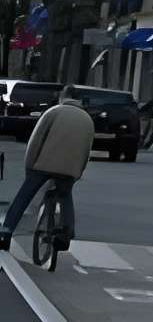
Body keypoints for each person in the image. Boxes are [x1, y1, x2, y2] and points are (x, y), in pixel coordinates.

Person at [2, 87, 95, 253]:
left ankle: (6, 232)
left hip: (42, 166)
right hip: (69, 170)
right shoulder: (87, 120)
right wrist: (77, 173)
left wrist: (29, 166)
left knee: (24, 196)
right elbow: (86, 150)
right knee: (66, 196)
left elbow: (36, 141)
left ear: (63, 97)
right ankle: (66, 234)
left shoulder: (53, 112)